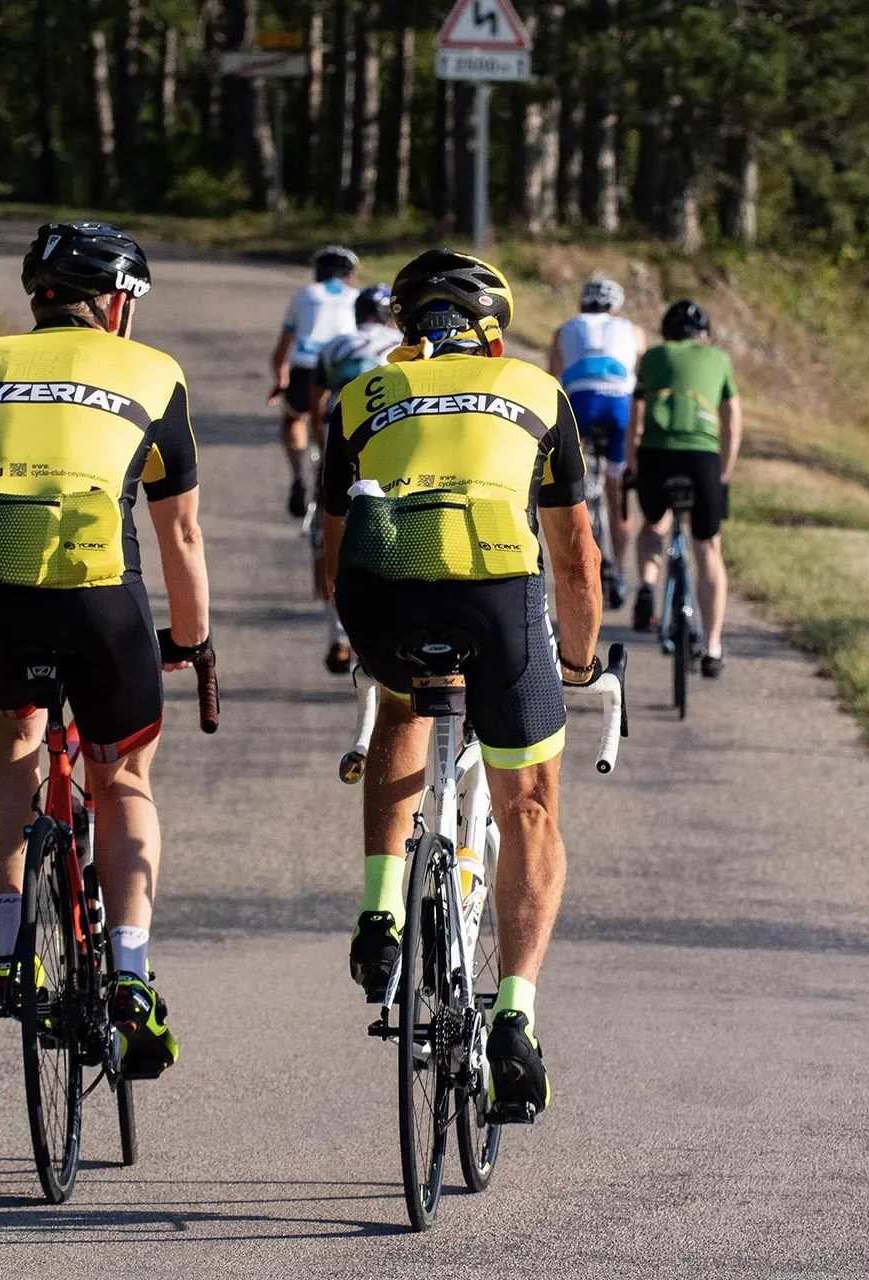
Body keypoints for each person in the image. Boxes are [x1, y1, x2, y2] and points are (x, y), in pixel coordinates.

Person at [319, 249, 603, 1123]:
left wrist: (356, 631)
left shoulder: (360, 396)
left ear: (405, 328)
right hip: (495, 591)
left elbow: (330, 553)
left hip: (382, 588)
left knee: (405, 698)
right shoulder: (537, 390)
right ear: (495, 329)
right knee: (531, 807)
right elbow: (577, 561)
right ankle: (513, 1019)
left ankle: (379, 913)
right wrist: (581, 664)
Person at [0, 221, 212, 1078]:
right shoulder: (154, 372)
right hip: (96, 603)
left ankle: (9, 942)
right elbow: (182, 535)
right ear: (116, 303)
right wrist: (192, 644)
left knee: (17, 725)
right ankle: (129, 972)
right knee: (121, 773)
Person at [625, 298, 740, 679]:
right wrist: (723, 473)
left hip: (657, 456)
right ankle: (712, 647)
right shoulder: (719, 358)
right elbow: (732, 421)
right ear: (704, 336)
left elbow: (636, 415)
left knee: (653, 523)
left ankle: (646, 584)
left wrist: (633, 463)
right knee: (708, 546)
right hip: (702, 459)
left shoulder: (653, 357)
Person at [310, 284, 402, 674]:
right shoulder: (402, 343)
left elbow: (317, 404)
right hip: (388, 446)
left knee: (328, 532)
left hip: (340, 437)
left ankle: (338, 635)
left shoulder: (334, 345)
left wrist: (322, 452)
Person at [548, 272, 643, 608]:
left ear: (582, 305)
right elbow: (640, 380)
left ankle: (581, 563)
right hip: (619, 406)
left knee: (576, 489)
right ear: (615, 309)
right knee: (619, 495)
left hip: (580, 405)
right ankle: (619, 574)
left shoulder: (564, 329)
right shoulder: (633, 330)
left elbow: (553, 383)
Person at [270, 245, 360, 519]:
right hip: (345, 369)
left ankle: (298, 475)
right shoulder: (357, 297)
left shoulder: (305, 295)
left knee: (294, 418)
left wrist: (281, 380)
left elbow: (282, 351)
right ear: (349, 275)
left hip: (306, 367)